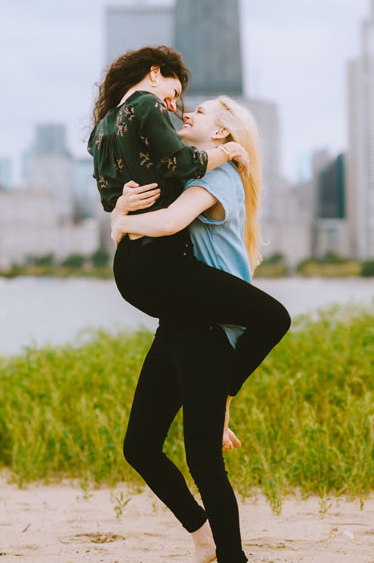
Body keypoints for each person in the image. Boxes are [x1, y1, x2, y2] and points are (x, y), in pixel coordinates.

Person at [110, 96, 264, 563]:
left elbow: (171, 223)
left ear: (221, 135)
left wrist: (119, 223)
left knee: (202, 460)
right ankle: (202, 537)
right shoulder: (201, 172)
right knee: (140, 446)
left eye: (201, 112)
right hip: (181, 323)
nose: (187, 115)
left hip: (210, 330)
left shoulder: (217, 182)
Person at [87, 46, 290, 398]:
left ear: (220, 130)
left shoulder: (103, 129)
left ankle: (218, 400)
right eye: (175, 93)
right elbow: (178, 173)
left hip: (132, 270)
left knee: (193, 344)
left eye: (190, 106)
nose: (174, 107)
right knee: (273, 319)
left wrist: (120, 215)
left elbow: (113, 198)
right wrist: (228, 151)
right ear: (154, 74)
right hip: (167, 267)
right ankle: (223, 392)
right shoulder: (151, 111)